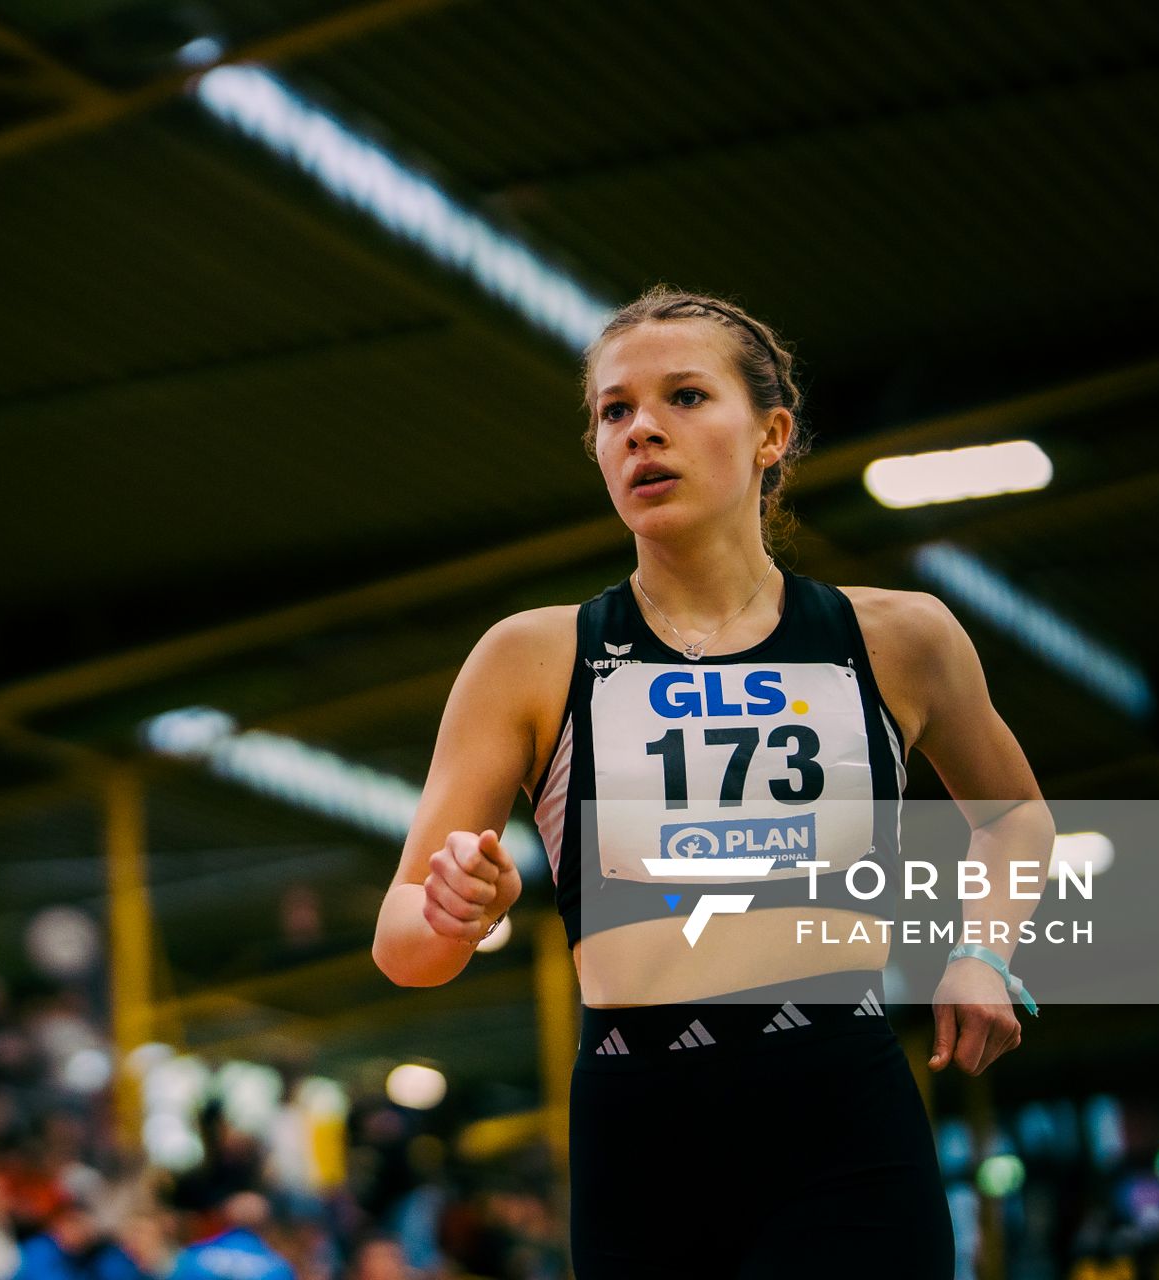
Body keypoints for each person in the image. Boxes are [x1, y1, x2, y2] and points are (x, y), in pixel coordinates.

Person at [372, 285, 1055, 1277]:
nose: (643, 429)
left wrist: (984, 949)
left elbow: (1017, 817)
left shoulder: (898, 637)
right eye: (615, 411)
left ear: (773, 432)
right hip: (640, 1139)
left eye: (685, 397)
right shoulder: (531, 656)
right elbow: (404, 948)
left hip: (844, 1124)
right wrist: (448, 911)